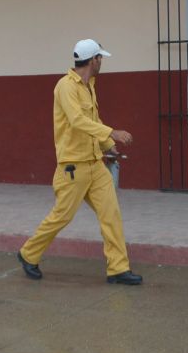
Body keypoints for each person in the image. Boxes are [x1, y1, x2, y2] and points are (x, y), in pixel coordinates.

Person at [17, 39, 142, 285]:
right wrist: (111, 132)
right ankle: (28, 253)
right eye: (100, 58)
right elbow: (76, 120)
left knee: (111, 214)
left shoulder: (89, 86)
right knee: (61, 216)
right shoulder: (65, 87)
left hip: (95, 164)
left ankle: (118, 268)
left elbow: (92, 119)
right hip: (72, 167)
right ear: (92, 60)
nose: (102, 62)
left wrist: (108, 146)